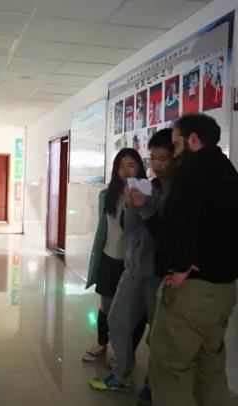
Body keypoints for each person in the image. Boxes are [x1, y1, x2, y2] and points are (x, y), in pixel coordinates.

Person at [149, 114, 238, 406]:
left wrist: (181, 267)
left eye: (176, 145)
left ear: (193, 140)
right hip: (224, 292)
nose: (175, 153)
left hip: (191, 295)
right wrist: (230, 266)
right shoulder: (230, 174)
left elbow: (176, 224)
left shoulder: (191, 172)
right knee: (211, 366)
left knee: (172, 369)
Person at [90, 132, 174, 394]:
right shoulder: (148, 186)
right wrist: (130, 206)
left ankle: (153, 385)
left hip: (159, 273)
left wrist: (144, 208)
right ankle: (121, 374)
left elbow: (167, 235)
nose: (157, 164)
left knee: (157, 332)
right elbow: (129, 228)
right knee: (116, 320)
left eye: (163, 158)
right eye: (153, 158)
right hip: (134, 267)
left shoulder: (178, 192)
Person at [83, 149, 148, 363]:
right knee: (106, 306)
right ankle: (102, 344)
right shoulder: (107, 194)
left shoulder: (146, 192)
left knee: (133, 311)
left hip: (132, 262)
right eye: (120, 166)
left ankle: (127, 354)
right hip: (109, 258)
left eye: (131, 165)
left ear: (139, 168)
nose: (125, 171)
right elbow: (104, 229)